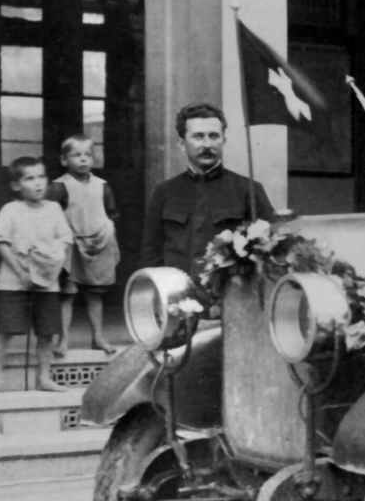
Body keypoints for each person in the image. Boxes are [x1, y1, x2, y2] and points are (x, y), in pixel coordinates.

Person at [141, 103, 274, 271]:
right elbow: (150, 255)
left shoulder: (249, 190)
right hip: (176, 285)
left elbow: (270, 250)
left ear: (223, 140)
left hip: (228, 286)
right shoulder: (164, 192)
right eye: (198, 136)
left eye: (214, 136)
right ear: (182, 143)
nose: (207, 144)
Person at [0, 156, 74, 391]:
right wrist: (21, 273)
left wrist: (50, 263)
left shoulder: (54, 209)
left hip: (47, 282)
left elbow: (65, 240)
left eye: (41, 177)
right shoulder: (11, 210)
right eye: (30, 178)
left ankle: (44, 377)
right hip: (13, 282)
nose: (38, 183)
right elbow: (1, 243)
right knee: (5, 328)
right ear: (16, 185)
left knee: (47, 331)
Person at [49, 134, 120, 354]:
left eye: (87, 155)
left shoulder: (102, 186)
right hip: (70, 246)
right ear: (64, 160)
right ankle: (63, 340)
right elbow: (49, 216)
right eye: (76, 155)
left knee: (94, 294)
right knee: (67, 294)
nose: (83, 159)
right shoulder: (59, 186)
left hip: (98, 244)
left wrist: (108, 232)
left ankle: (98, 337)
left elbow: (112, 213)